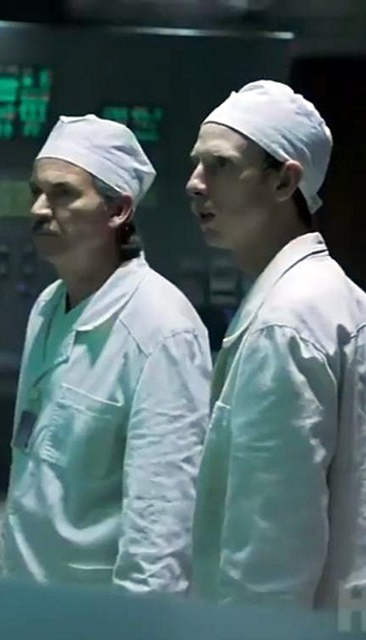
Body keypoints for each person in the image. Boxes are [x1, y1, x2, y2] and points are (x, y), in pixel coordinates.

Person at [0, 115, 212, 593]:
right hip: (27, 593)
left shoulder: (161, 330)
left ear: (117, 209)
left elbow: (162, 521)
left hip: (96, 611)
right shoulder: (48, 306)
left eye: (62, 194)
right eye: (36, 191)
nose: (38, 209)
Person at [188, 80, 366, 609]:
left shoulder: (285, 322)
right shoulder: (334, 297)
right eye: (196, 164)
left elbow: (272, 545)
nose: (195, 183)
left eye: (220, 165)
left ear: (285, 181)